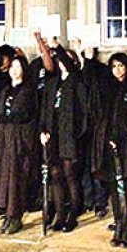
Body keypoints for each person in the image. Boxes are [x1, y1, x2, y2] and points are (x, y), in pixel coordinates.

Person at [87, 52, 127, 248]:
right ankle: (119, 224)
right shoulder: (107, 87)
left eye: (121, 66)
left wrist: (123, 136)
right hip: (107, 143)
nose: (118, 70)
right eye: (114, 67)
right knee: (114, 186)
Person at [37, 33, 89, 233]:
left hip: (70, 135)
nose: (61, 62)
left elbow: (73, 69)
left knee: (70, 175)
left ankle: (73, 215)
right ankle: (59, 214)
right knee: (55, 174)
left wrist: (57, 46)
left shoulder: (76, 80)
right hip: (53, 134)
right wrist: (43, 130)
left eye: (64, 59)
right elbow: (45, 109)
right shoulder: (53, 83)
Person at [0, 54, 38, 235]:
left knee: (16, 179)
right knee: (3, 178)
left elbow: (22, 114)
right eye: (12, 67)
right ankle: (6, 213)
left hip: (19, 140)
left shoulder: (28, 91)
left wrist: (1, 118)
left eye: (18, 67)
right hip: (3, 139)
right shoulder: (5, 90)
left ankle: (15, 216)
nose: (15, 71)